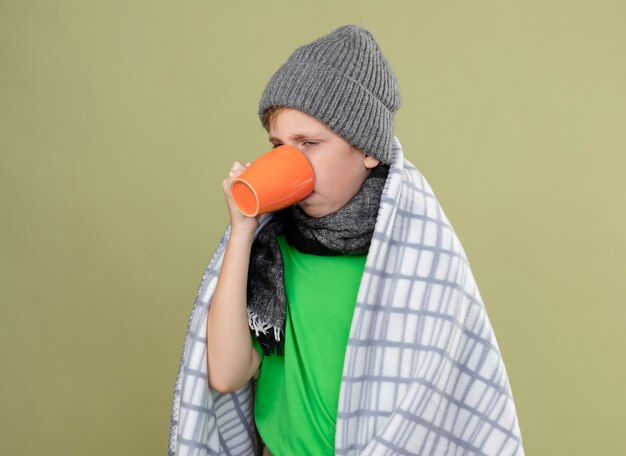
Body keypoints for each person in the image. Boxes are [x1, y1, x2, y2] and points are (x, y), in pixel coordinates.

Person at [169, 24, 524, 456]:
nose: (290, 161)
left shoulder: (415, 257)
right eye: (279, 145)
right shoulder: (273, 245)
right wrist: (243, 231)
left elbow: (443, 397)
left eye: (310, 143)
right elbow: (227, 374)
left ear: (367, 149)